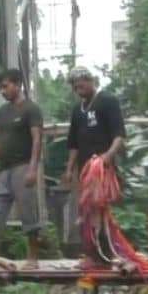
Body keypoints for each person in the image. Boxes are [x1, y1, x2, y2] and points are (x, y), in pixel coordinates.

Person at [0, 68, 43, 269]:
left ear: (17, 84)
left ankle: (32, 258)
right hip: (2, 168)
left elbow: (37, 139)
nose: (3, 91)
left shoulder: (31, 109)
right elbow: (0, 141)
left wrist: (32, 168)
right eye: (0, 88)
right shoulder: (2, 112)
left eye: (5, 86)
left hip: (22, 166)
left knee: (28, 212)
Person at [62, 67, 126, 257]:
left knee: (98, 207)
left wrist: (108, 156)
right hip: (84, 169)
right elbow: (73, 143)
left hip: (101, 167)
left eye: (81, 84)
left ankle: (103, 251)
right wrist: (69, 169)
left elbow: (119, 135)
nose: (77, 88)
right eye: (74, 86)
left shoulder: (107, 101)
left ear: (91, 81)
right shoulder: (77, 110)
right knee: (87, 209)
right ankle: (95, 251)